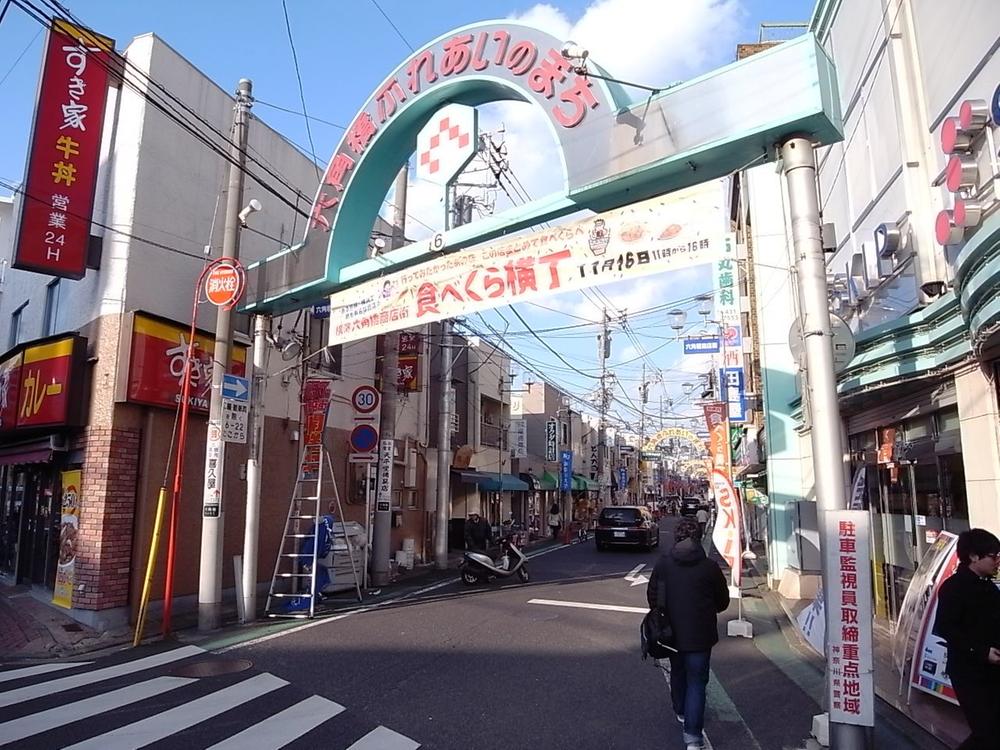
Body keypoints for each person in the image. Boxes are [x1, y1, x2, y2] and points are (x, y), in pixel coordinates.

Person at [646, 518, 729, 750]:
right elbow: (722, 601)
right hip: (700, 635)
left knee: (678, 672)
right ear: (699, 536)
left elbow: (652, 596)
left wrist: (663, 615)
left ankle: (681, 710)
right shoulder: (709, 567)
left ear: (677, 537)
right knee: (697, 682)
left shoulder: (664, 564)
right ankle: (693, 737)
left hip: (669, 633)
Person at [932, 528, 1000, 749]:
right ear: (973, 556)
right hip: (968, 673)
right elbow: (945, 628)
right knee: (986, 732)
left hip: (993, 671)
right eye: (993, 556)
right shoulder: (953, 588)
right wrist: (980, 651)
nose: (997, 561)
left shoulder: (988, 587)